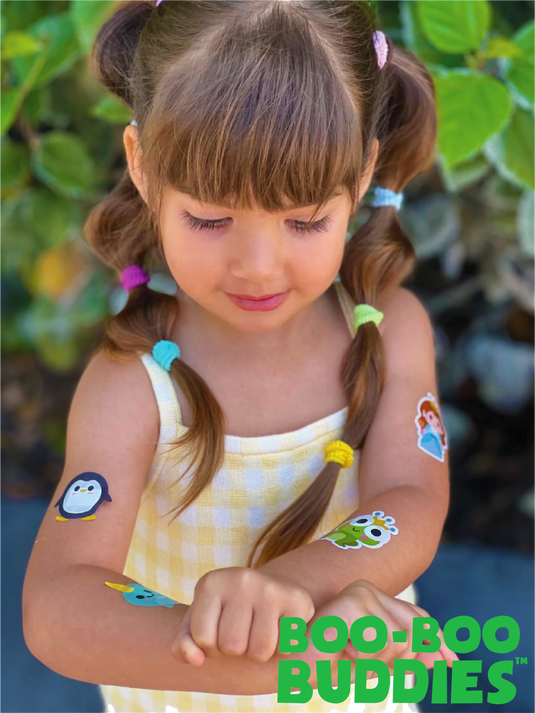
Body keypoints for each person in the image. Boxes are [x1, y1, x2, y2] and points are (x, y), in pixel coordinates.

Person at [22, 1, 455, 712]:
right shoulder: (134, 379)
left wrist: (290, 588)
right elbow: (62, 594)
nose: (257, 265)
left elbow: (408, 498)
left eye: (305, 220)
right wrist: (249, 660)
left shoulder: (387, 330)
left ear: (363, 168)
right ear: (141, 163)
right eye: (211, 218)